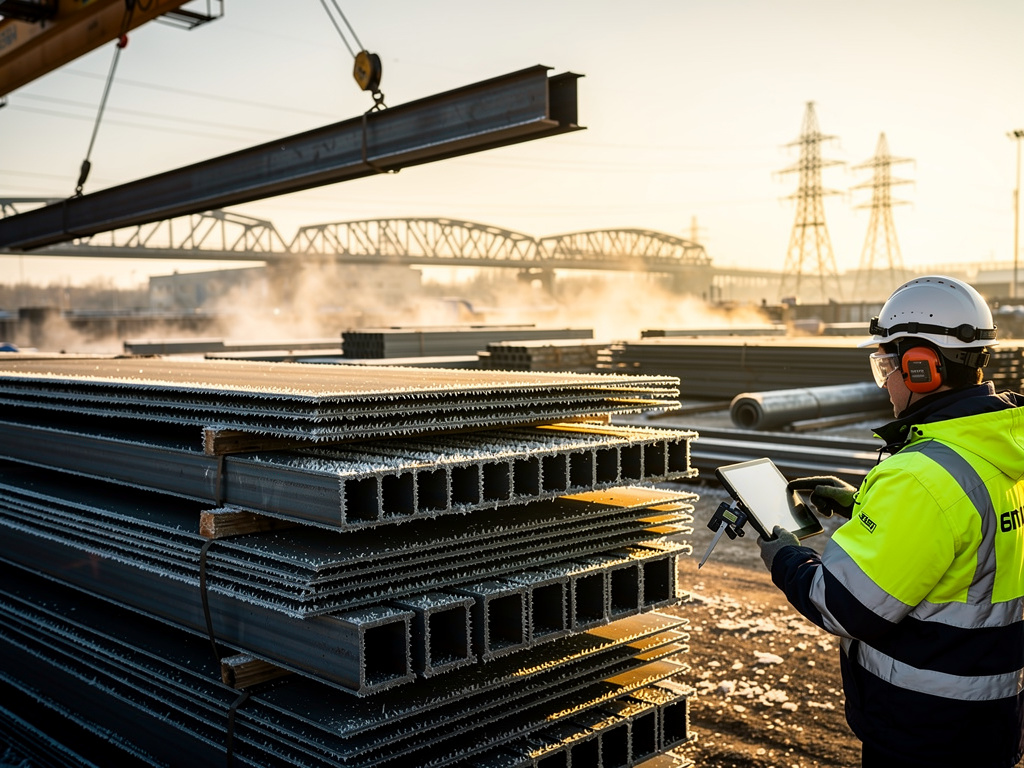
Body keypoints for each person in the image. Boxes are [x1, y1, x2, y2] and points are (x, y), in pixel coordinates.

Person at [756, 275, 1024, 768]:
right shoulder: (997, 450)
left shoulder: (921, 477)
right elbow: (960, 538)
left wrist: (784, 555)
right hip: (990, 714)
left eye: (887, 364)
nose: (884, 381)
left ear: (922, 368)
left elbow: (840, 605)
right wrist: (862, 505)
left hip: (924, 728)